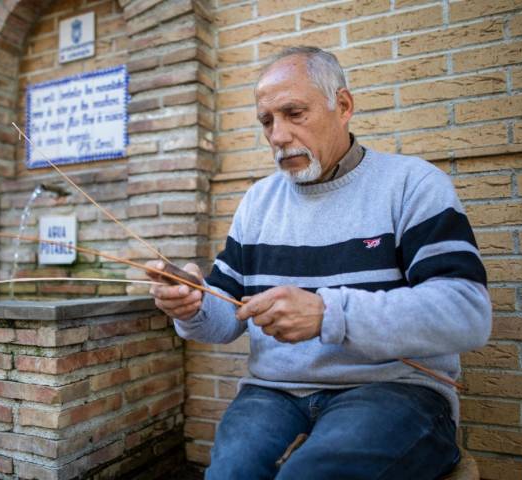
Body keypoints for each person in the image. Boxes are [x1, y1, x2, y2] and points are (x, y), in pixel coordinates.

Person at [147, 46, 491, 479]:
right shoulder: (258, 202)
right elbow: (226, 316)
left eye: (294, 113)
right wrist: (193, 305)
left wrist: (330, 313)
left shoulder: (413, 185)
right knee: (229, 474)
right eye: (267, 121)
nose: (278, 135)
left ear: (342, 106)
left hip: (394, 390)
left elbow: (467, 312)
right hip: (273, 392)